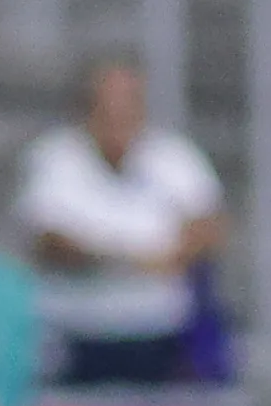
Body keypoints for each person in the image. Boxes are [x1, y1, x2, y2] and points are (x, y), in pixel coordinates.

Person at [18, 54, 225, 385]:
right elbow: (52, 241)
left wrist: (111, 253)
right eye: (107, 105)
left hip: (160, 332)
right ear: (86, 108)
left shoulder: (174, 157)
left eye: (127, 102)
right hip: (75, 332)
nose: (117, 114)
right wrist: (135, 259)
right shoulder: (54, 158)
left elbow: (206, 231)